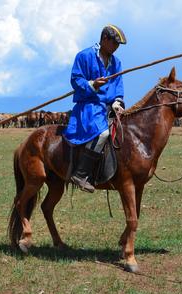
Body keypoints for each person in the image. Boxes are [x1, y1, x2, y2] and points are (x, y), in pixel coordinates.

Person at [63, 24, 127, 193]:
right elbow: (76, 79)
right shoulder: (84, 56)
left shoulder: (116, 62)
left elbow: (118, 85)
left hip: (108, 107)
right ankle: (81, 174)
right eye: (114, 43)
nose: (116, 48)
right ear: (105, 39)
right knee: (103, 133)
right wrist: (92, 84)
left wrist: (117, 102)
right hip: (89, 106)